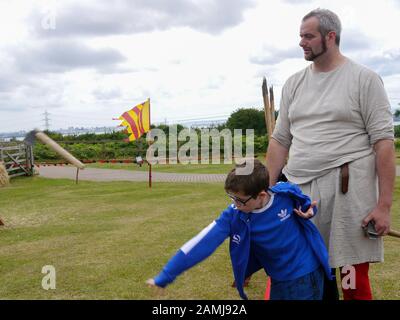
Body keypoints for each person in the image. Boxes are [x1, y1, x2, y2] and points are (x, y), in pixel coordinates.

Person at [266, 8, 395, 300]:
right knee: (298, 272)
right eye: (300, 36)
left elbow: (383, 144)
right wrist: (268, 191)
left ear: (331, 37)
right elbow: (280, 141)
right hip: (300, 190)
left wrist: (384, 206)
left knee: (352, 280)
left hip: (349, 191)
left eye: (308, 36)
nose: (301, 42)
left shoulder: (365, 79)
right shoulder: (294, 84)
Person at [146, 159, 331, 300]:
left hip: (306, 274)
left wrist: (310, 211)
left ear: (262, 195)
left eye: (240, 200)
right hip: (278, 279)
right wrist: (166, 275)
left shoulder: (285, 192)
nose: (235, 204)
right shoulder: (234, 215)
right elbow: (202, 242)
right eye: (232, 197)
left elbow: (306, 203)